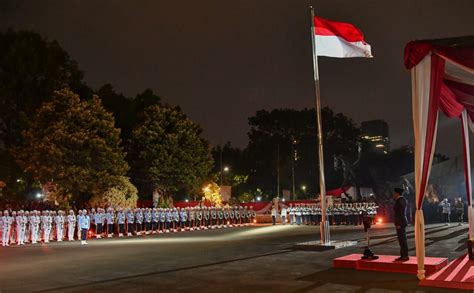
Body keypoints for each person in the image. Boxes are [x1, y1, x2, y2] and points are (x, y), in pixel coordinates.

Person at [393, 188, 409, 261]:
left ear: (397, 193)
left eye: (394, 193)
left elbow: (400, 213)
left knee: (402, 239)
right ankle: (403, 255)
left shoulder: (400, 200)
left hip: (401, 222)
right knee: (401, 239)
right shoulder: (401, 200)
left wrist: (398, 223)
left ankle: (404, 256)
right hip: (401, 221)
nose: (393, 194)